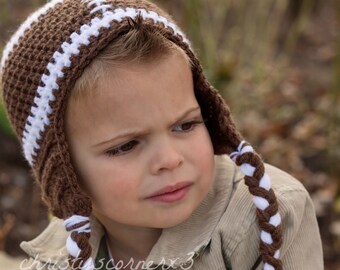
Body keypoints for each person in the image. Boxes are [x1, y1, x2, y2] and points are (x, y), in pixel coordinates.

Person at [0, 0, 323, 269]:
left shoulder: (268, 216)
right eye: (126, 146)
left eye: (185, 125)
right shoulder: (55, 257)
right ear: (63, 171)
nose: (169, 160)